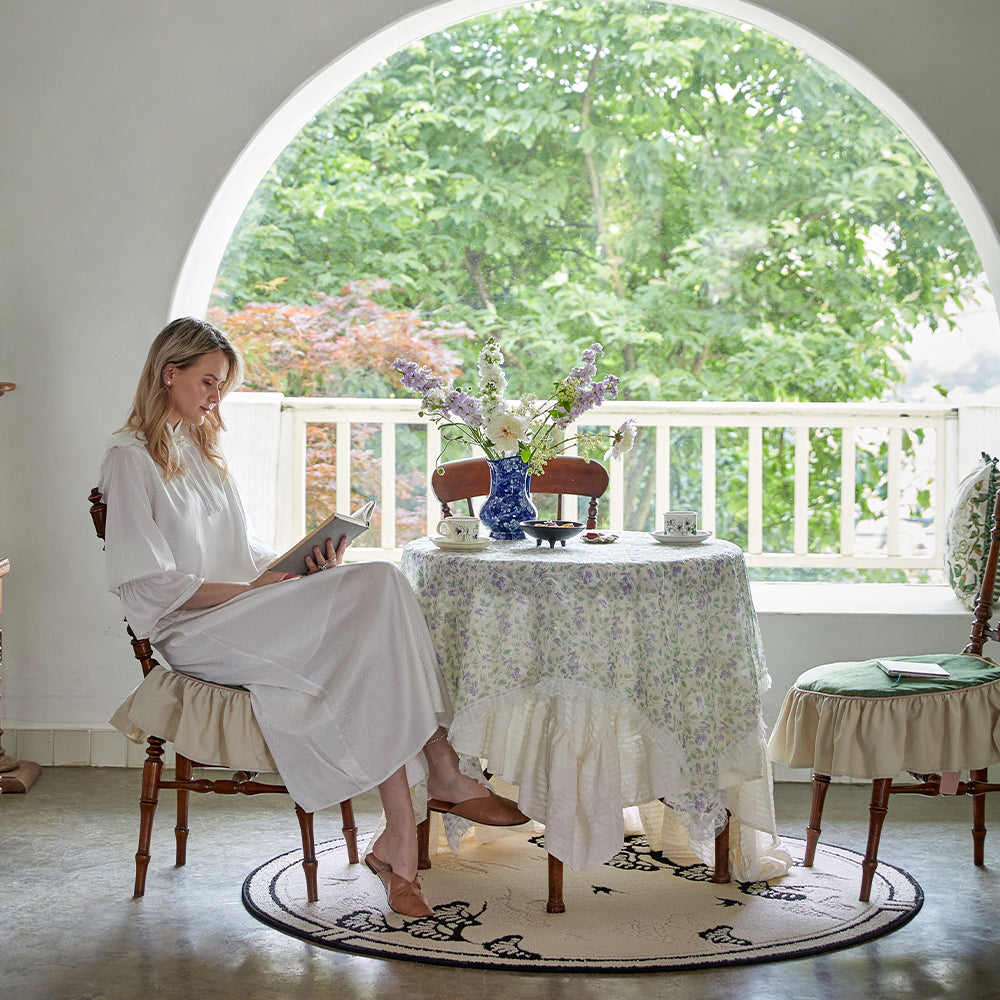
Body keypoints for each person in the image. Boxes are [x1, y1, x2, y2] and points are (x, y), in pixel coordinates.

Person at [99, 317, 527, 918]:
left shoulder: (201, 451)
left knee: (376, 591)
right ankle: (443, 774)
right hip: (193, 628)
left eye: (222, 384)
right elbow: (148, 586)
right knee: (379, 586)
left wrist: (301, 566)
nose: (216, 396)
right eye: (207, 381)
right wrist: (254, 588)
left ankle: (401, 842)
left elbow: (245, 554)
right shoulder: (128, 458)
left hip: (245, 610)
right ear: (169, 374)